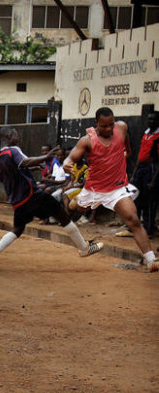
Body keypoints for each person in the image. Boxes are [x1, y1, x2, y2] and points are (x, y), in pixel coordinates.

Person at [0, 126, 103, 270]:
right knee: (61, 213)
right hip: (31, 194)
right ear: (8, 136)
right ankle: (84, 248)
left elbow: (8, 172)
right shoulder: (13, 150)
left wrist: (30, 169)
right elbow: (24, 162)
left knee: (18, 229)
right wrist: (45, 158)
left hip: (17, 199)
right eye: (16, 134)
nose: (18, 137)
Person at [63, 107, 156, 272]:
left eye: (110, 125)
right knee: (79, 209)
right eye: (103, 126)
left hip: (116, 189)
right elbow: (70, 158)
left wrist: (124, 152)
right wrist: (66, 165)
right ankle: (77, 200)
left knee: (133, 219)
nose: (108, 129)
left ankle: (151, 260)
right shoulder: (87, 140)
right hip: (94, 189)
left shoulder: (121, 128)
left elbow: (125, 144)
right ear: (96, 124)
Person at [128, 110, 159, 237]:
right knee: (137, 199)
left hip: (151, 169)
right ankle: (136, 227)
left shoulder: (158, 137)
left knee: (149, 202)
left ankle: (148, 229)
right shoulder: (146, 134)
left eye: (153, 119)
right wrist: (134, 174)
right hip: (141, 168)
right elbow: (140, 156)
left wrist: (154, 180)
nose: (150, 122)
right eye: (149, 119)